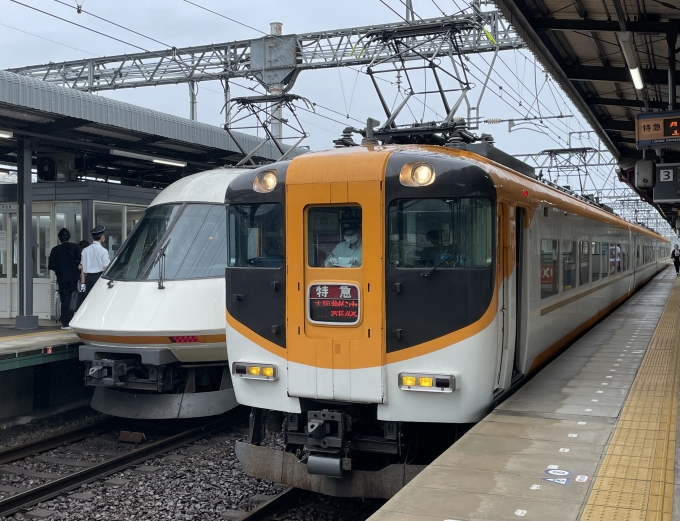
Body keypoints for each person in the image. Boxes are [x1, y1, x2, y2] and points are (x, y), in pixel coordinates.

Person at [48, 228, 81, 329]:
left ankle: (66, 322)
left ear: (59, 239)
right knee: (73, 298)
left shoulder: (55, 250)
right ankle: (73, 320)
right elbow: (80, 262)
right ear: (69, 237)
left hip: (62, 278)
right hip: (74, 278)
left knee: (64, 299)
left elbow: (52, 266)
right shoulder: (76, 247)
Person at [80, 225, 110, 298]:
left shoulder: (85, 251)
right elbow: (106, 267)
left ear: (92, 237)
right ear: (102, 237)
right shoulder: (103, 251)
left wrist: (83, 283)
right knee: (99, 299)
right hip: (99, 277)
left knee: (89, 299)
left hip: (89, 278)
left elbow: (82, 268)